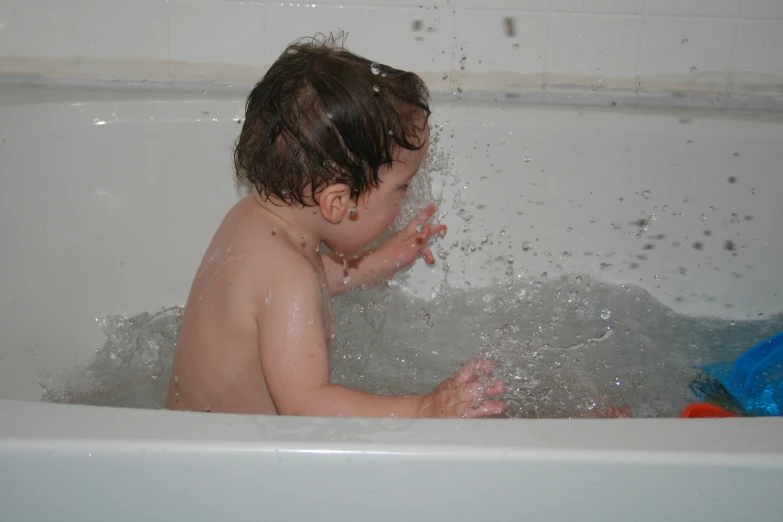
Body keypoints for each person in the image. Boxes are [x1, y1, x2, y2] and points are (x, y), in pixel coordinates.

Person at [166, 34, 505, 418]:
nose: (405, 200)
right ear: (337, 203)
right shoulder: (288, 279)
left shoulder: (252, 220)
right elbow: (307, 404)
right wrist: (423, 409)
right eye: (401, 188)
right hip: (237, 466)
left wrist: (377, 262)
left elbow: (302, 277)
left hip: (198, 440)